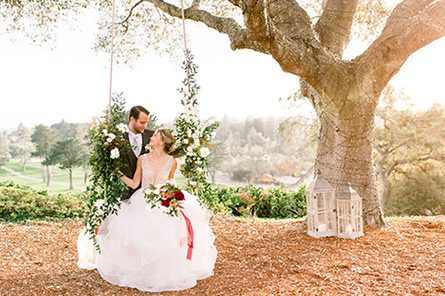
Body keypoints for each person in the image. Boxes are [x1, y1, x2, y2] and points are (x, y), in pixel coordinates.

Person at [77, 128, 217, 292]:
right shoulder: (142, 159)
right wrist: (117, 172)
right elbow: (135, 184)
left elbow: (170, 183)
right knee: (136, 233)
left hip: (164, 200)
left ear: (162, 141)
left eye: (155, 135)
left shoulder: (172, 161)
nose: (151, 137)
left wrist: (172, 198)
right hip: (142, 200)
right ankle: (141, 271)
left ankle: (162, 272)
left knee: (166, 233)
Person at [120, 105, 154, 200]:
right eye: (142, 122)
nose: (145, 126)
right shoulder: (116, 137)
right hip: (121, 194)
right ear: (132, 119)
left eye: (147, 122)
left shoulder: (153, 136)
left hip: (145, 196)